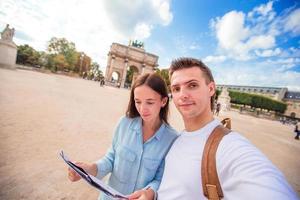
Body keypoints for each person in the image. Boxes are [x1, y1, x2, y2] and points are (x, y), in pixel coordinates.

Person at [157, 57, 298, 199]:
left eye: (192, 85)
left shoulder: (230, 147)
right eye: (176, 89)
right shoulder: (178, 137)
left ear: (211, 89)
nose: (182, 95)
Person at [67, 73, 178, 200]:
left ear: (163, 101)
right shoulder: (124, 123)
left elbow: (161, 179)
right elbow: (111, 159)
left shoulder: (172, 139)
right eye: (138, 102)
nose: (142, 109)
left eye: (150, 102)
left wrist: (150, 192)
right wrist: (90, 169)